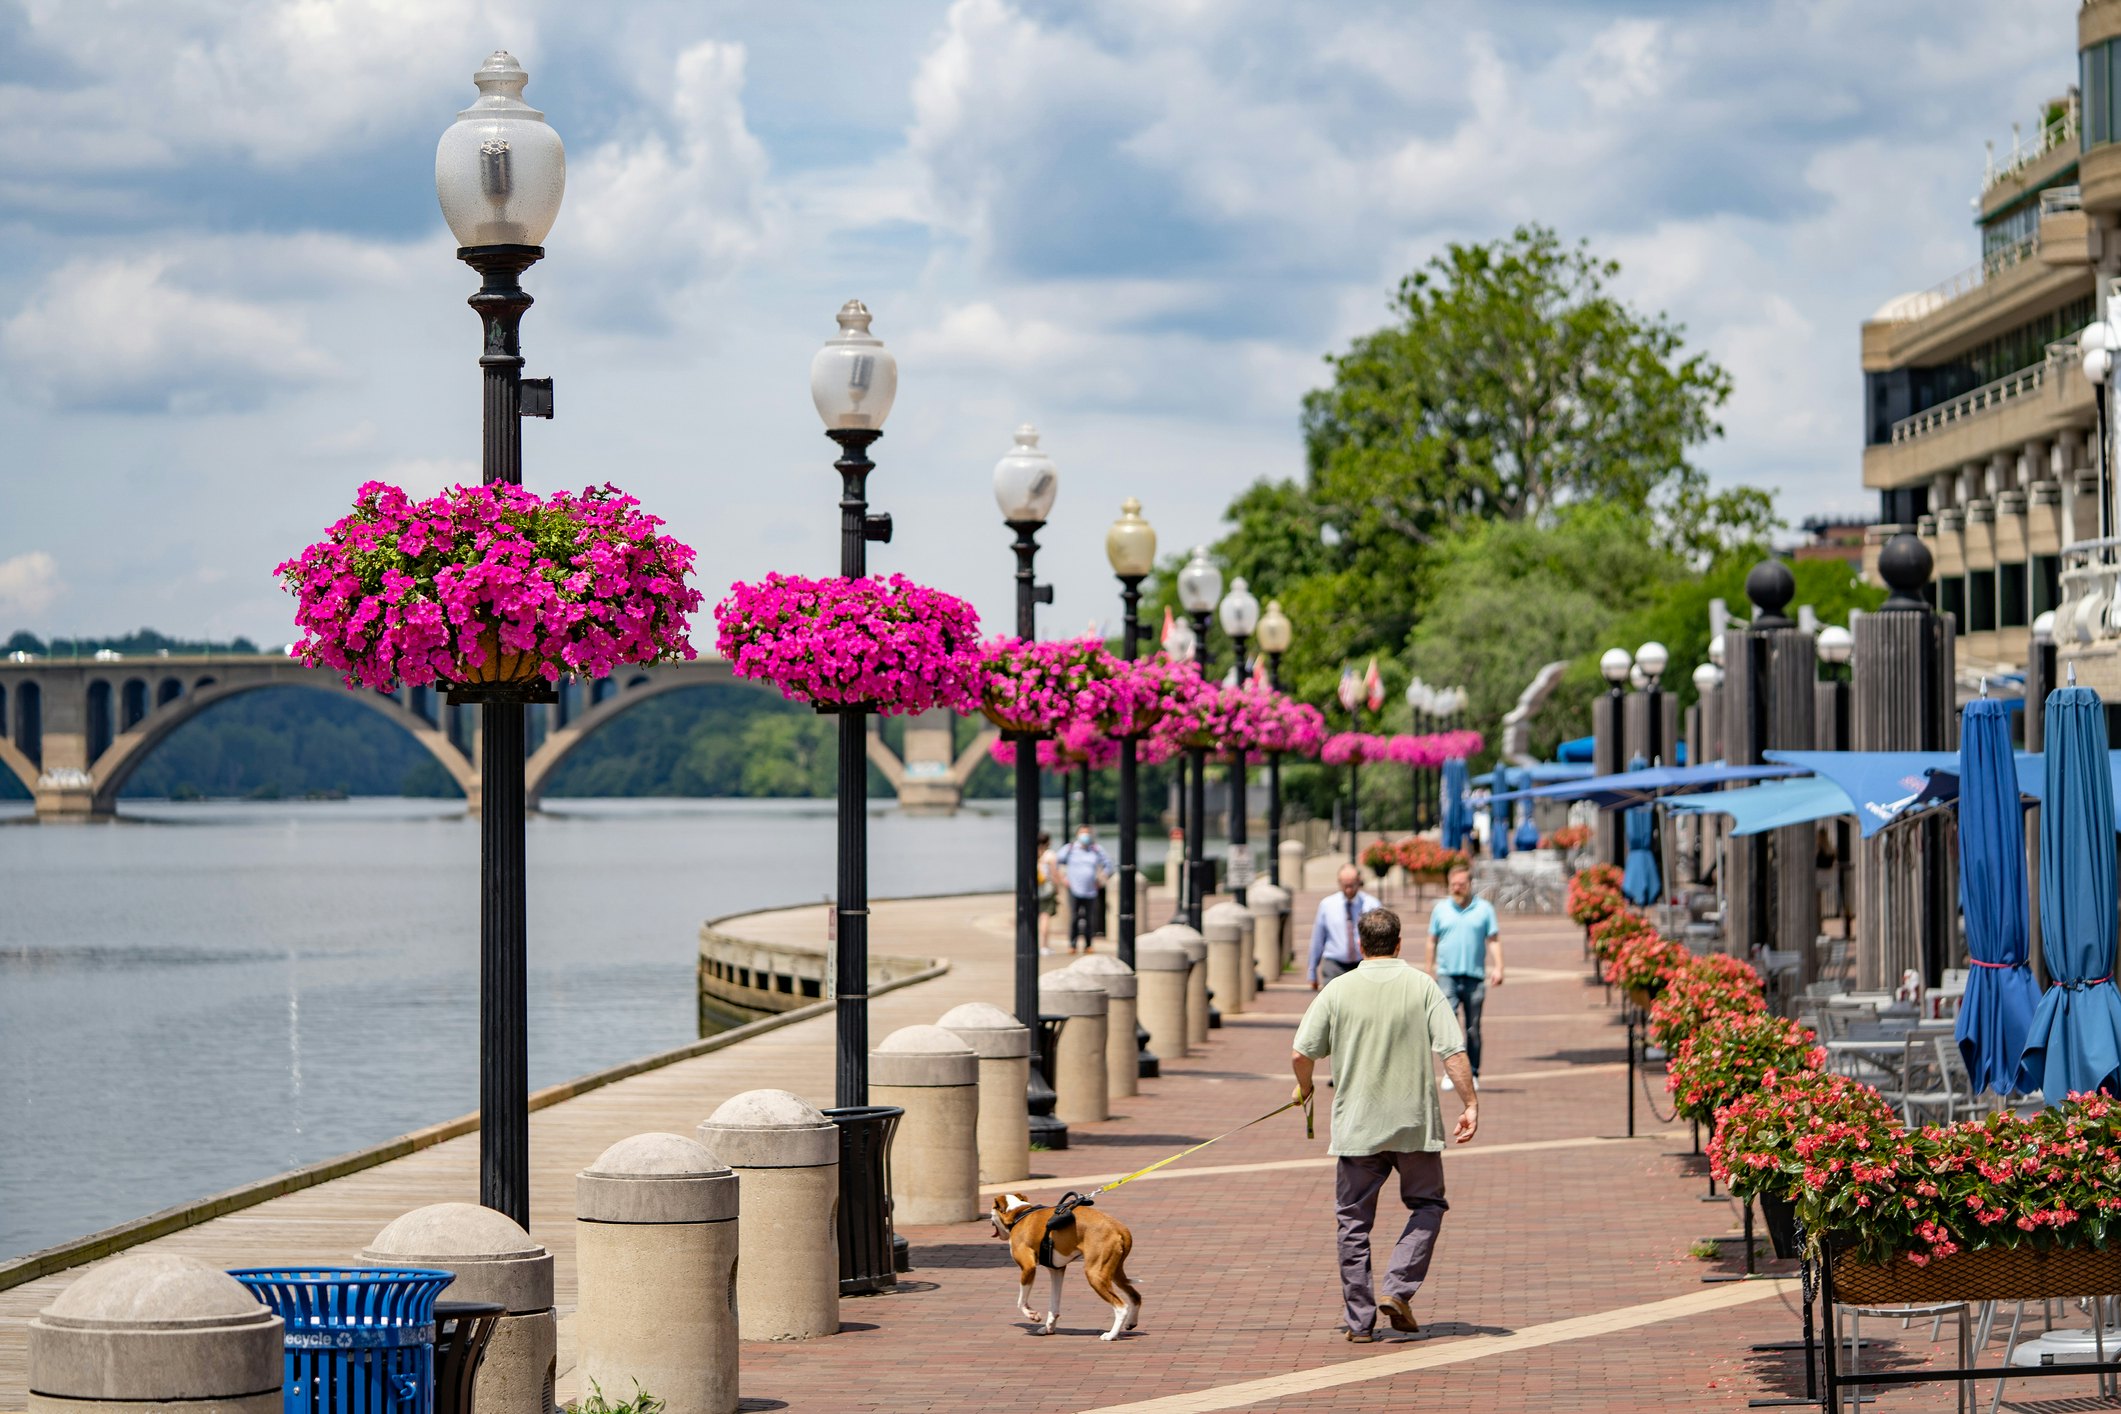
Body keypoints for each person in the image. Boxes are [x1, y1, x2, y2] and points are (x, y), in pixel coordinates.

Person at [1291, 908, 1478, 1343]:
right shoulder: (1422, 986)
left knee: (1352, 1223)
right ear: (1399, 943)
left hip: (1357, 1127)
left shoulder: (1338, 989)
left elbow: (1301, 1054)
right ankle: (1397, 1287)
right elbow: (1452, 1050)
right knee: (1428, 1205)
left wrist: (1305, 1088)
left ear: (1360, 945)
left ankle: (1359, 1322)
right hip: (1414, 1123)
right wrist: (1469, 1103)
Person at [1426, 865, 1502, 1091]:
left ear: (1470, 884)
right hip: (1447, 974)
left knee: (1473, 1028)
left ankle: (1474, 1072)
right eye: (1453, 885)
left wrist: (1499, 967)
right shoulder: (1440, 909)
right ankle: (1451, 1072)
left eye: (1461, 884)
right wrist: (1429, 968)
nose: (1457, 888)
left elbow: (1494, 940)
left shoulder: (1484, 909)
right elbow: (1432, 940)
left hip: (1474, 976)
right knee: (1449, 1026)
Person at [1308, 864, 1383, 989]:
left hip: (1363, 964)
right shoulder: (1327, 905)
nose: (1349, 890)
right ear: (1339, 883)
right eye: (1345, 885)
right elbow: (1318, 939)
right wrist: (1312, 971)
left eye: (1352, 885)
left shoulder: (1372, 905)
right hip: (1334, 964)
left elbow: (1381, 939)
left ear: (1359, 882)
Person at [1056, 826, 1113, 954]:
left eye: (1087, 833)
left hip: (1091, 890)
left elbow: (1108, 864)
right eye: (1082, 833)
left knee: (1090, 918)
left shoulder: (1096, 849)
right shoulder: (1069, 849)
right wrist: (1063, 878)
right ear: (1077, 834)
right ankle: (1072, 944)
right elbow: (1056, 862)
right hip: (1074, 888)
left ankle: (1088, 945)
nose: (1085, 836)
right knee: (1074, 917)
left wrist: (1102, 878)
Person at [1035, 831, 1060, 955]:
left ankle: (1034, 944)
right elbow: (1054, 873)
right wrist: (1057, 887)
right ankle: (1044, 946)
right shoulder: (1049, 855)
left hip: (1034, 890)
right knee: (1045, 917)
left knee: (1035, 918)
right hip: (1046, 890)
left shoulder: (1032, 853)